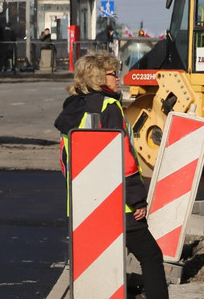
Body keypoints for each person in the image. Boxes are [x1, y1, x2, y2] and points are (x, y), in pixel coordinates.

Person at [54, 50, 168, 299]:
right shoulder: (108, 107)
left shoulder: (73, 107)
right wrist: (136, 199)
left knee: (97, 264)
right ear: (97, 77)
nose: (118, 77)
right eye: (113, 73)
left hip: (84, 202)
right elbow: (123, 160)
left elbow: (65, 159)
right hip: (117, 203)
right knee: (150, 256)